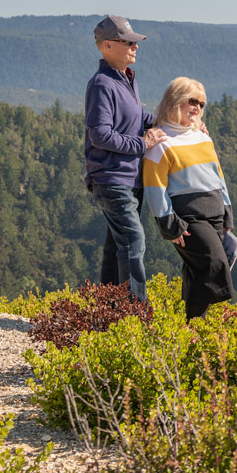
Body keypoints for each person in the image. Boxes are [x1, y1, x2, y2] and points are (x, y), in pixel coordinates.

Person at [84, 15, 165, 304]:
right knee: (133, 241)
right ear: (107, 46)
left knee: (116, 247)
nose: (135, 47)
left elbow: (135, 119)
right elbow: (100, 135)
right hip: (112, 179)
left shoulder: (126, 80)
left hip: (129, 179)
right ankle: (134, 316)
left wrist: (173, 124)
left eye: (135, 42)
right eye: (128, 42)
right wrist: (142, 143)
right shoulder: (102, 85)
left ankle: (106, 311)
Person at [143, 77, 235, 319]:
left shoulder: (203, 137)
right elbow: (155, 187)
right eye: (192, 100)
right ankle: (206, 322)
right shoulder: (160, 142)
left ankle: (193, 329)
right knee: (214, 263)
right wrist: (169, 224)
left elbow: (218, 174)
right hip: (189, 218)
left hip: (215, 214)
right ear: (175, 101)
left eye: (202, 104)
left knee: (198, 273)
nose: (197, 108)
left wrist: (227, 210)